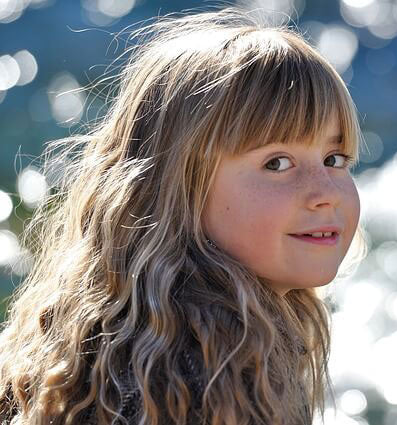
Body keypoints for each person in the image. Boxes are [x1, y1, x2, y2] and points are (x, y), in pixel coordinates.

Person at [0, 6, 367, 425]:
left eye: (335, 158)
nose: (325, 194)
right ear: (176, 189)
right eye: (277, 164)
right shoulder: (205, 377)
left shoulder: (124, 333)